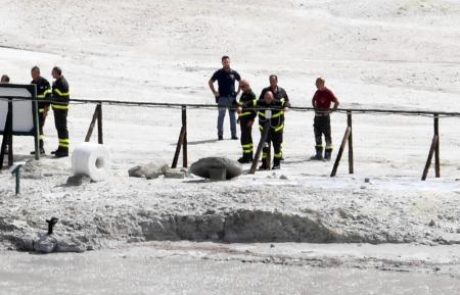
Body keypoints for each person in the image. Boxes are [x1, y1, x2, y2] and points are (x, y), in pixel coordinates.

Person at [251, 90, 290, 170]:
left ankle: (276, 164)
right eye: (266, 97)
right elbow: (250, 103)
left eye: (269, 98)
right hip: (265, 132)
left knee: (277, 149)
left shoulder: (277, 103)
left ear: (272, 98)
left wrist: (286, 107)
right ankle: (264, 164)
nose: (267, 99)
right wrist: (241, 106)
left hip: (276, 131)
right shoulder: (261, 103)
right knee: (265, 147)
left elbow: (286, 103)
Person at [208, 56, 241, 140]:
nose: (226, 63)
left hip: (232, 98)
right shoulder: (219, 73)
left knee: (232, 117)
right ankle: (220, 134)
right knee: (221, 117)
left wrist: (238, 91)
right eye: (224, 62)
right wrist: (214, 92)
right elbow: (210, 82)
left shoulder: (233, 73)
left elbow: (240, 81)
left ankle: (233, 135)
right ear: (222, 63)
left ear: (230, 62)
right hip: (222, 98)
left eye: (227, 61)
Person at [259, 75, 289, 159]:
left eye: (273, 81)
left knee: (278, 140)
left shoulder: (282, 91)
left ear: (277, 81)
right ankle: (266, 158)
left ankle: (279, 154)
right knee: (266, 140)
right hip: (266, 118)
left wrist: (286, 106)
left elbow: (286, 101)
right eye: (270, 81)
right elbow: (259, 101)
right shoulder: (265, 91)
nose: (272, 82)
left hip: (278, 119)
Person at [311, 77, 340, 161]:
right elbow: (313, 100)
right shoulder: (317, 92)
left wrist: (331, 111)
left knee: (327, 136)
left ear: (322, 83)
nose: (316, 85)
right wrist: (315, 108)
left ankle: (327, 155)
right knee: (317, 135)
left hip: (325, 118)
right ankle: (318, 154)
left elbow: (337, 102)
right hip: (317, 117)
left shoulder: (328, 92)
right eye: (316, 83)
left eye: (318, 83)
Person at [30, 66, 52, 155]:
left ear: (38, 73)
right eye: (32, 75)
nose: (33, 76)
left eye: (34, 74)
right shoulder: (32, 83)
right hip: (34, 111)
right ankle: (38, 147)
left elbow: (48, 99)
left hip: (42, 111)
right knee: (36, 130)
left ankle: (40, 147)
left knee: (40, 129)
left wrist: (45, 111)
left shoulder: (45, 83)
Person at [51, 66, 70, 158]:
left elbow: (59, 95)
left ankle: (65, 150)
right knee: (59, 129)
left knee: (62, 129)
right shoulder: (58, 82)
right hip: (58, 110)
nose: (52, 74)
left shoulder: (62, 83)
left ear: (57, 73)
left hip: (61, 110)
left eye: (53, 73)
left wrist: (53, 87)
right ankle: (61, 147)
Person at [236, 80, 257, 163]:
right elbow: (241, 106)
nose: (241, 89)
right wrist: (239, 117)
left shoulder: (252, 95)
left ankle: (247, 157)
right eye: (240, 87)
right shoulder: (244, 94)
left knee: (245, 138)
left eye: (243, 87)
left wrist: (252, 119)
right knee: (246, 138)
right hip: (243, 119)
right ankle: (247, 156)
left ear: (247, 85)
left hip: (248, 119)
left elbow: (255, 109)